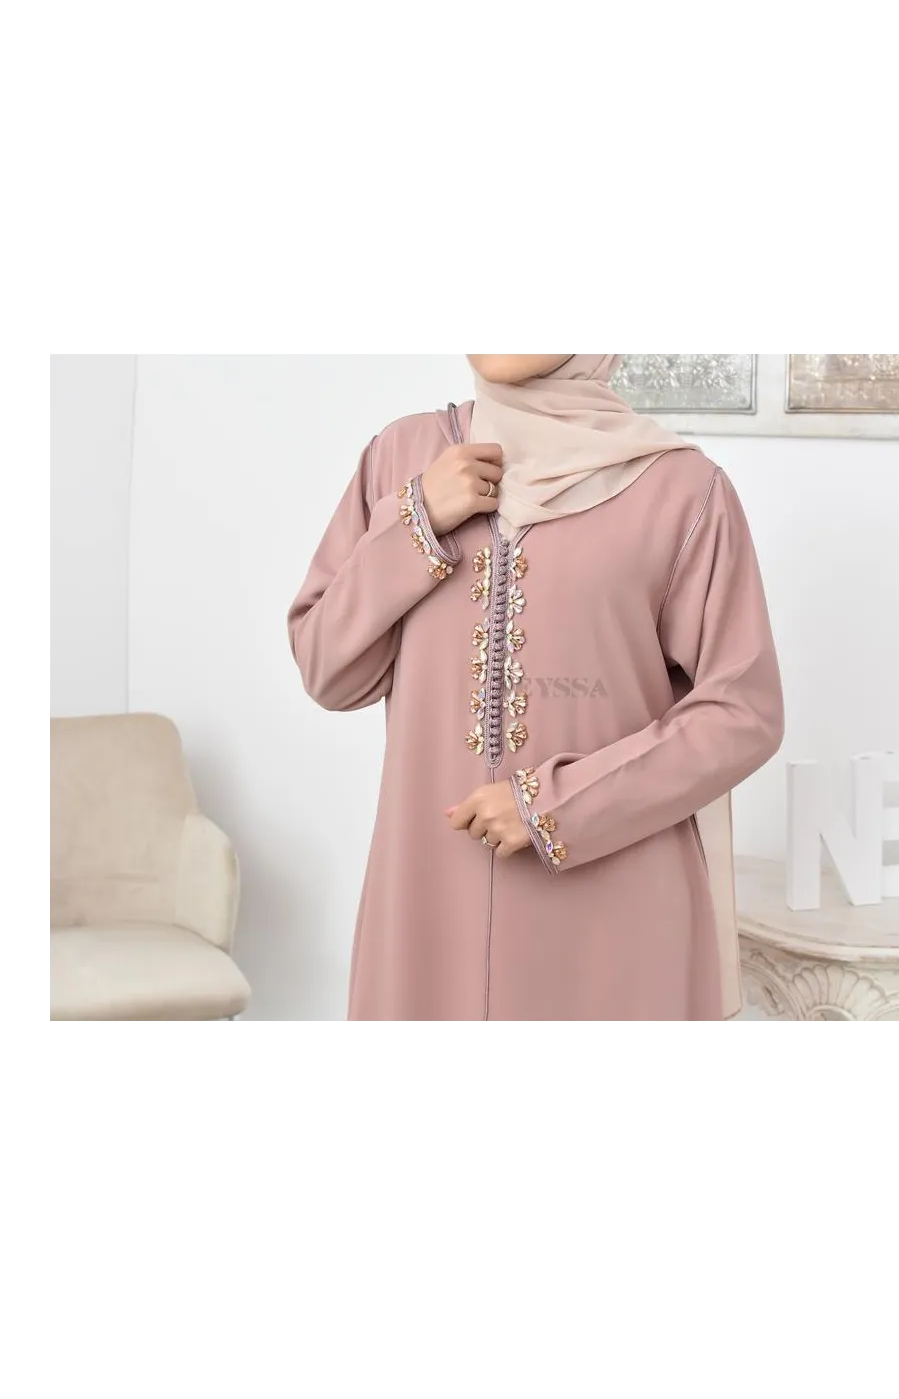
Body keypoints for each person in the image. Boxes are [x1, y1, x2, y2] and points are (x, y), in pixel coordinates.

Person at [288, 354, 784, 1023]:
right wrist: (416, 521)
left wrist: (555, 806)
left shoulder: (683, 491)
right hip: (430, 905)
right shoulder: (400, 458)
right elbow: (327, 669)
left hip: (613, 914)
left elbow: (743, 713)